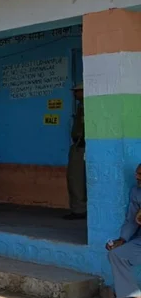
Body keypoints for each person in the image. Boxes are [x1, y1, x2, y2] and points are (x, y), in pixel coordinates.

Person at [106, 164, 141, 298]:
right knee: (117, 254)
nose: (137, 177)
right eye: (136, 173)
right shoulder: (136, 191)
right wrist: (122, 239)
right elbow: (132, 219)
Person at [66, 83, 87, 220]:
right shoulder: (81, 106)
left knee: (75, 178)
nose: (75, 94)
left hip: (81, 146)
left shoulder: (87, 106)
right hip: (80, 145)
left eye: (77, 91)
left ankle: (79, 210)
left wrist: (80, 142)